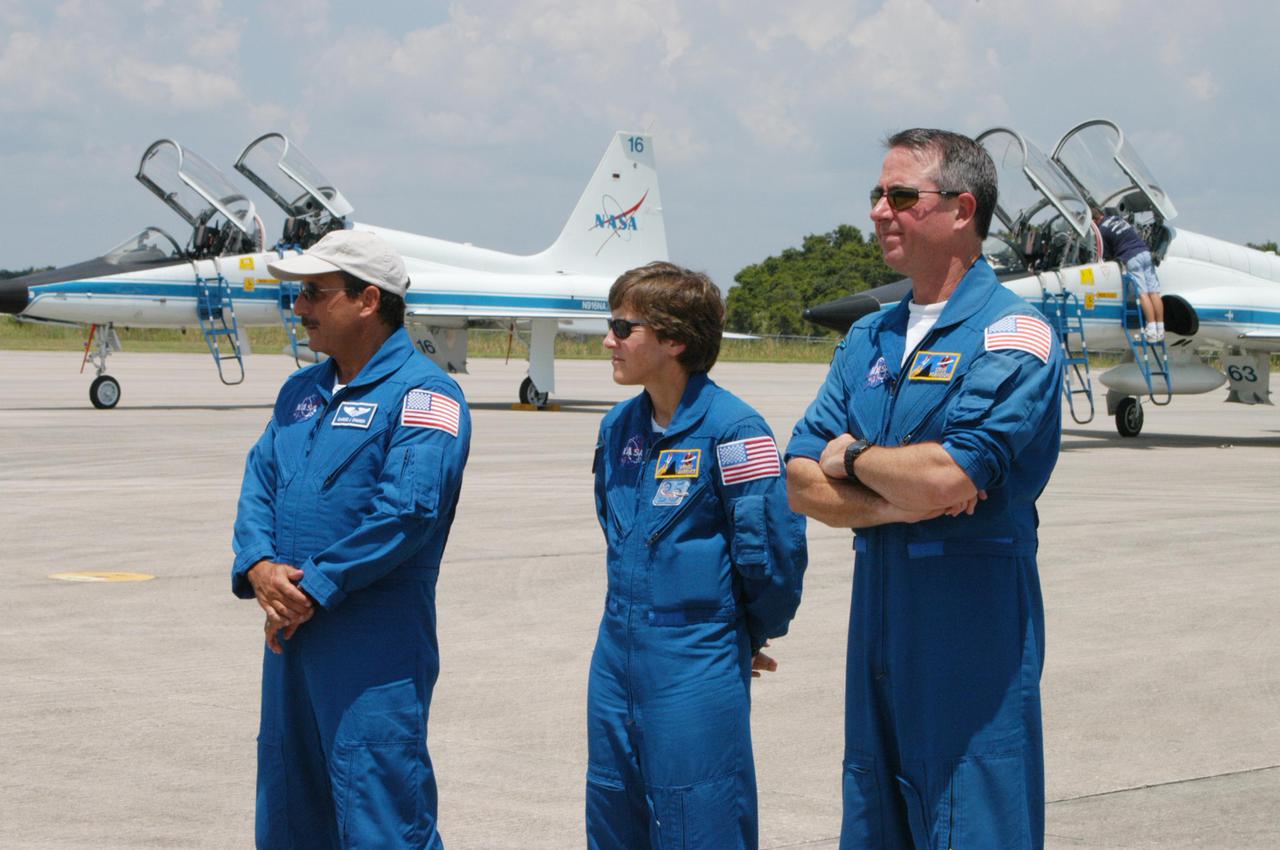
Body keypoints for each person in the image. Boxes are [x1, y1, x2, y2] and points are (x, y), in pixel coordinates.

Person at [785, 129, 1064, 850]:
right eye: (877, 194)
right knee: (876, 822)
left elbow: (951, 474)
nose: (881, 210)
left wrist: (852, 458)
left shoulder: (1014, 333)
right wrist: (902, 489)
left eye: (902, 195)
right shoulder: (867, 338)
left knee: (973, 819)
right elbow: (797, 477)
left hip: (968, 636)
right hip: (878, 625)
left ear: (962, 209)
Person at [231, 229, 470, 849]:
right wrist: (257, 563)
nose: (300, 306)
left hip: (374, 645)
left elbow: (407, 514)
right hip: (291, 638)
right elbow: (260, 482)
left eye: (314, 292)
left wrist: (315, 587)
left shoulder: (426, 396)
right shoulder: (299, 394)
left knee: (380, 815)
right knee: (290, 807)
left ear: (367, 300)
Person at [586, 261, 808, 849]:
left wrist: (745, 634)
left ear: (675, 340)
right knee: (613, 807)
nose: (608, 340)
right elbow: (616, 530)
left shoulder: (736, 433)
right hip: (617, 654)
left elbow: (773, 555)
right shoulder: (618, 429)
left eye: (623, 328)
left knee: (701, 817)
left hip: (694, 659)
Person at [1093, 206, 1165, 341]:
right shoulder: (1117, 219)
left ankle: (1151, 329)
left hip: (1132, 257)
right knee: (1154, 292)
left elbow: (1106, 254)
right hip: (1145, 253)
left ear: (1095, 221)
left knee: (1143, 294)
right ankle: (1160, 328)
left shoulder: (1101, 230)